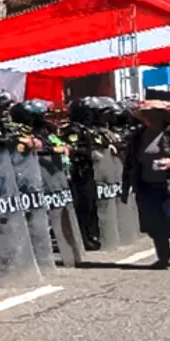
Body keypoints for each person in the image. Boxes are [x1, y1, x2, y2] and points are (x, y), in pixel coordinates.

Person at [123, 102, 170, 268]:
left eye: (153, 115)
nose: (149, 118)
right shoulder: (138, 136)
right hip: (147, 186)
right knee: (154, 224)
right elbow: (130, 163)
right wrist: (126, 186)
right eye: (146, 115)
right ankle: (163, 258)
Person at [62, 97, 103, 251]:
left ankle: (91, 235)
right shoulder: (73, 129)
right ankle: (83, 238)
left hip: (89, 172)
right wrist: (90, 152)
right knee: (82, 206)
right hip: (78, 173)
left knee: (91, 205)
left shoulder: (88, 129)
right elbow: (72, 149)